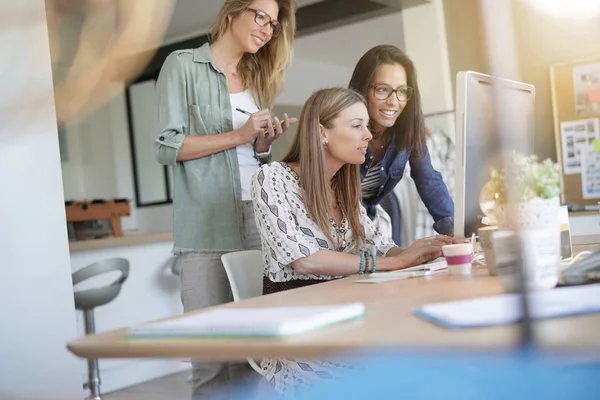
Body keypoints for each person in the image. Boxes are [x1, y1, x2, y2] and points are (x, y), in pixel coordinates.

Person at [250, 87, 453, 397]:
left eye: (367, 126)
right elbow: (306, 260)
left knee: (430, 350)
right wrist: (394, 261)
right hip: (299, 333)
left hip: (345, 317)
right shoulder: (271, 179)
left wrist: (422, 251)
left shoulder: (342, 189)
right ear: (322, 133)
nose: (369, 135)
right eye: (357, 126)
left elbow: (378, 244)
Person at [154, 0, 297, 398]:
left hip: (257, 220)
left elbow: (251, 156)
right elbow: (167, 146)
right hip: (204, 226)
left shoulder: (258, 78)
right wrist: (238, 134)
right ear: (233, 11)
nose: (268, 29)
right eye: (261, 17)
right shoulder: (181, 65)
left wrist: (263, 144)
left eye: (274, 25)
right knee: (212, 359)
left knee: (256, 358)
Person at [348, 45, 456, 237]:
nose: (394, 101)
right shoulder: (343, 129)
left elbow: (429, 181)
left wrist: (456, 233)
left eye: (402, 91)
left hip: (366, 224)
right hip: (329, 228)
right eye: (382, 90)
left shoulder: (407, 134)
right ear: (363, 89)